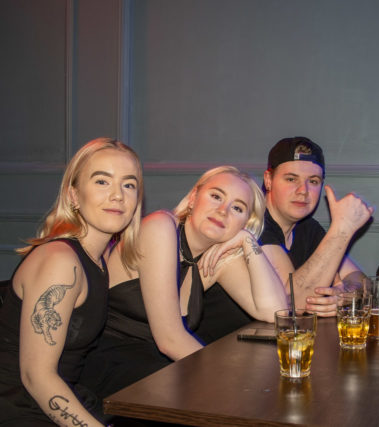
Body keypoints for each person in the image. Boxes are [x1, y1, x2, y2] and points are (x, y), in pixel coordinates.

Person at [79, 166, 287, 405]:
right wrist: (232, 380)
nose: (223, 211)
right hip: (108, 371)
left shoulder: (216, 259)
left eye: (237, 208)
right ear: (193, 198)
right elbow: (170, 339)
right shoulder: (160, 226)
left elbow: (274, 311)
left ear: (245, 222)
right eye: (216, 196)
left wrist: (249, 241)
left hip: (157, 372)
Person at [0, 138, 143, 426]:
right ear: (74, 196)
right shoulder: (61, 261)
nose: (118, 195)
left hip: (58, 399)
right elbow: (35, 376)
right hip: (21, 410)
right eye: (102, 181)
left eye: (129, 185)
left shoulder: (98, 259)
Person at [259, 137, 374, 315]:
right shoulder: (254, 224)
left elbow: (362, 281)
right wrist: (342, 229)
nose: (303, 190)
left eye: (313, 181)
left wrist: (344, 294)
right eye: (291, 179)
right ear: (268, 180)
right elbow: (291, 303)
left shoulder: (308, 227)